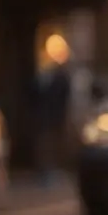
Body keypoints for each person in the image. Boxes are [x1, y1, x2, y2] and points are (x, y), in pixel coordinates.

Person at [31, 34, 73, 187]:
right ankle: (46, 173)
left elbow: (64, 96)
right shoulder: (44, 73)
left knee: (54, 144)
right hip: (44, 116)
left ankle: (54, 172)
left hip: (56, 116)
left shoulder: (62, 75)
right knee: (45, 144)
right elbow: (35, 93)